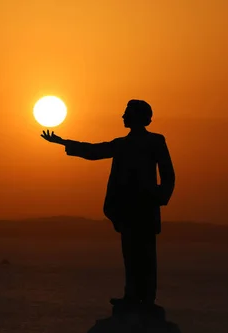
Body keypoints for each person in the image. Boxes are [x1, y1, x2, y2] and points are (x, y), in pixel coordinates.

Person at [40, 99, 175, 318]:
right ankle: (131, 295)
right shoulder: (121, 144)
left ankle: (147, 299)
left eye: (126, 113)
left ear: (138, 117)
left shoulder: (156, 141)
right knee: (130, 255)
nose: (122, 117)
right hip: (128, 209)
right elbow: (95, 151)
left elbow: (168, 174)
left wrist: (160, 196)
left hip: (146, 208)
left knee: (147, 256)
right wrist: (63, 142)